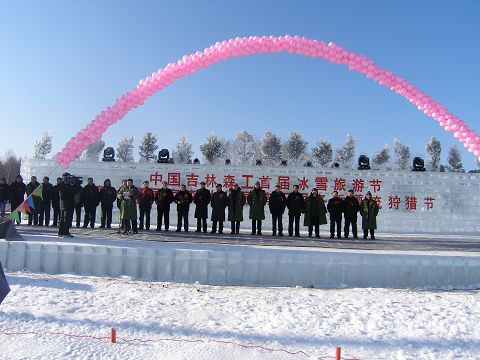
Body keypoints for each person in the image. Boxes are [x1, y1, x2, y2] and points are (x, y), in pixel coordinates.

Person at [58, 173, 75, 238]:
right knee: (66, 219)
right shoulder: (63, 185)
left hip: (64, 204)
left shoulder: (64, 185)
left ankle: (61, 232)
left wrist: (73, 184)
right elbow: (69, 193)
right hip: (67, 204)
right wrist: (72, 185)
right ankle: (65, 233)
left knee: (63, 219)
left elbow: (76, 191)